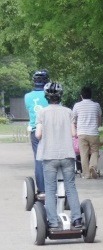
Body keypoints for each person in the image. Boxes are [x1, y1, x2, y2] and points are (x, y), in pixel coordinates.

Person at [35, 82, 83, 229]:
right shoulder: (68, 112)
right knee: (71, 187)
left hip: (49, 156)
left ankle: (53, 222)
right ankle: (77, 219)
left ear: (46, 97)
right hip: (67, 154)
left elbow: (38, 135)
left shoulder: (42, 113)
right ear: (60, 96)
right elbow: (74, 133)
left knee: (50, 189)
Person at [24, 70, 50, 198]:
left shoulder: (27, 96)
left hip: (35, 130)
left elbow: (29, 110)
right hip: (51, 130)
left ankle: (42, 189)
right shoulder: (50, 95)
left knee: (38, 159)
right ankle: (54, 187)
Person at [72, 86, 102, 179]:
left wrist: (76, 129)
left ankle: (86, 174)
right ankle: (92, 166)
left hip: (81, 133)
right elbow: (99, 119)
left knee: (83, 154)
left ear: (81, 96)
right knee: (95, 151)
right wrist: (97, 125)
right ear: (91, 95)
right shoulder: (96, 105)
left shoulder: (77, 105)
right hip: (93, 133)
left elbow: (73, 119)